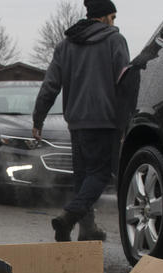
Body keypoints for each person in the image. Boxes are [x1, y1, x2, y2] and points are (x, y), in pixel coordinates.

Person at [32, 0, 130, 242]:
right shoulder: (115, 41)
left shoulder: (66, 45)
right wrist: (126, 121)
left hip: (77, 123)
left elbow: (50, 86)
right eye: (113, 17)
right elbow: (125, 84)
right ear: (105, 16)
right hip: (105, 122)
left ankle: (87, 229)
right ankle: (68, 217)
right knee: (100, 175)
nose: (114, 22)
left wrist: (38, 119)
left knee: (83, 177)